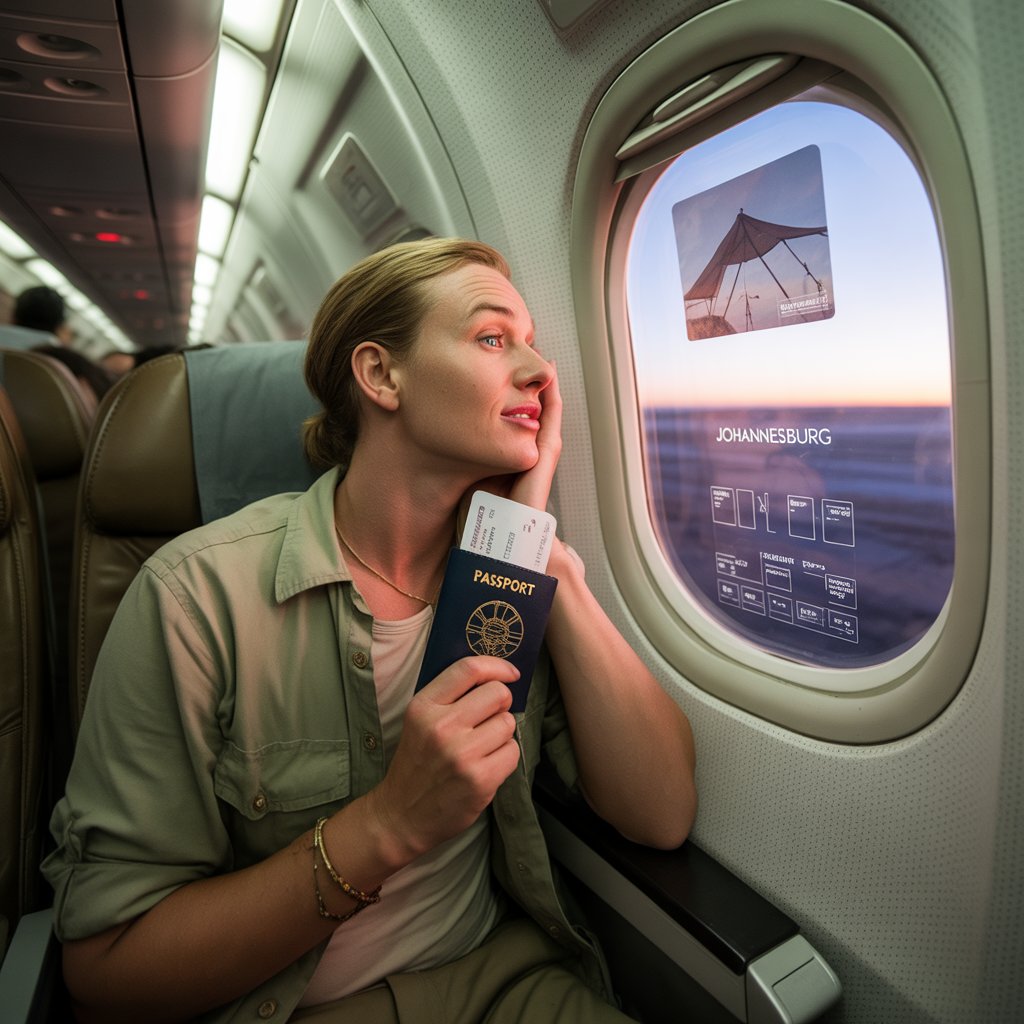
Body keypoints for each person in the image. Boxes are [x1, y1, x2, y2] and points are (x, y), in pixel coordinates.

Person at [43, 238, 697, 1023]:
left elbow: (659, 814)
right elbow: (109, 967)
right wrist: (390, 823)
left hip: (499, 980)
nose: (539, 371)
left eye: (532, 342)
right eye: (494, 338)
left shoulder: (505, 579)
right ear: (381, 375)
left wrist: (539, 550)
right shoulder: (197, 597)